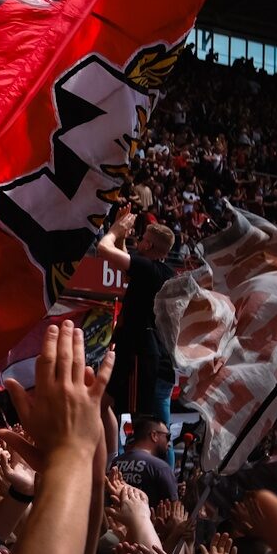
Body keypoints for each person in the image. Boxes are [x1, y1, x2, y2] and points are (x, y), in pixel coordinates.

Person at [98, 206, 177, 432]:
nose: (138, 241)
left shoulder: (147, 268)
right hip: (146, 352)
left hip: (140, 354)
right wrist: (122, 238)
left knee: (150, 429)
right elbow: (127, 268)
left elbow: (103, 249)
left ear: (149, 245)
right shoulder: (162, 271)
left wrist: (114, 230)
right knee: (105, 406)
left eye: (141, 239)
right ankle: (111, 449)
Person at [112, 415, 179, 506]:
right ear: (154, 435)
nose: (169, 443)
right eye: (168, 436)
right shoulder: (160, 468)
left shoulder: (115, 463)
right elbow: (173, 508)